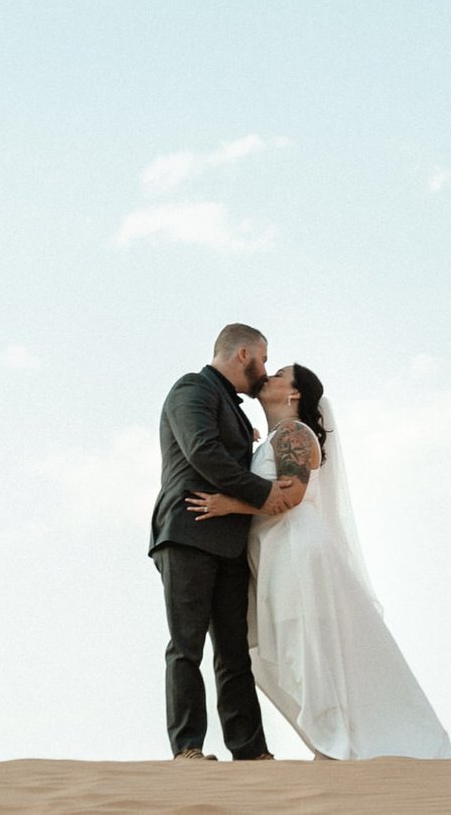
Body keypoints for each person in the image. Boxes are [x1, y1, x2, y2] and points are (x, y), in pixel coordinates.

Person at [187, 362, 451, 760]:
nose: (269, 377)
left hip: (296, 549)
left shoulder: (295, 433)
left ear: (293, 394)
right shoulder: (277, 437)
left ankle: (334, 748)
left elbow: (290, 496)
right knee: (293, 647)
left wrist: (229, 505)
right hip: (277, 551)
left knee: (305, 646)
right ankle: (330, 742)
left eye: (280, 375)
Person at [149, 323, 302, 761]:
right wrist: (264, 495)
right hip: (189, 530)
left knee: (234, 652)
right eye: (264, 358)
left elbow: (227, 452)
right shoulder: (192, 389)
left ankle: (251, 750)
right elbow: (202, 451)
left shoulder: (234, 408)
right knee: (186, 645)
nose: (265, 368)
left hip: (230, 541)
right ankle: (188, 748)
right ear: (242, 355)